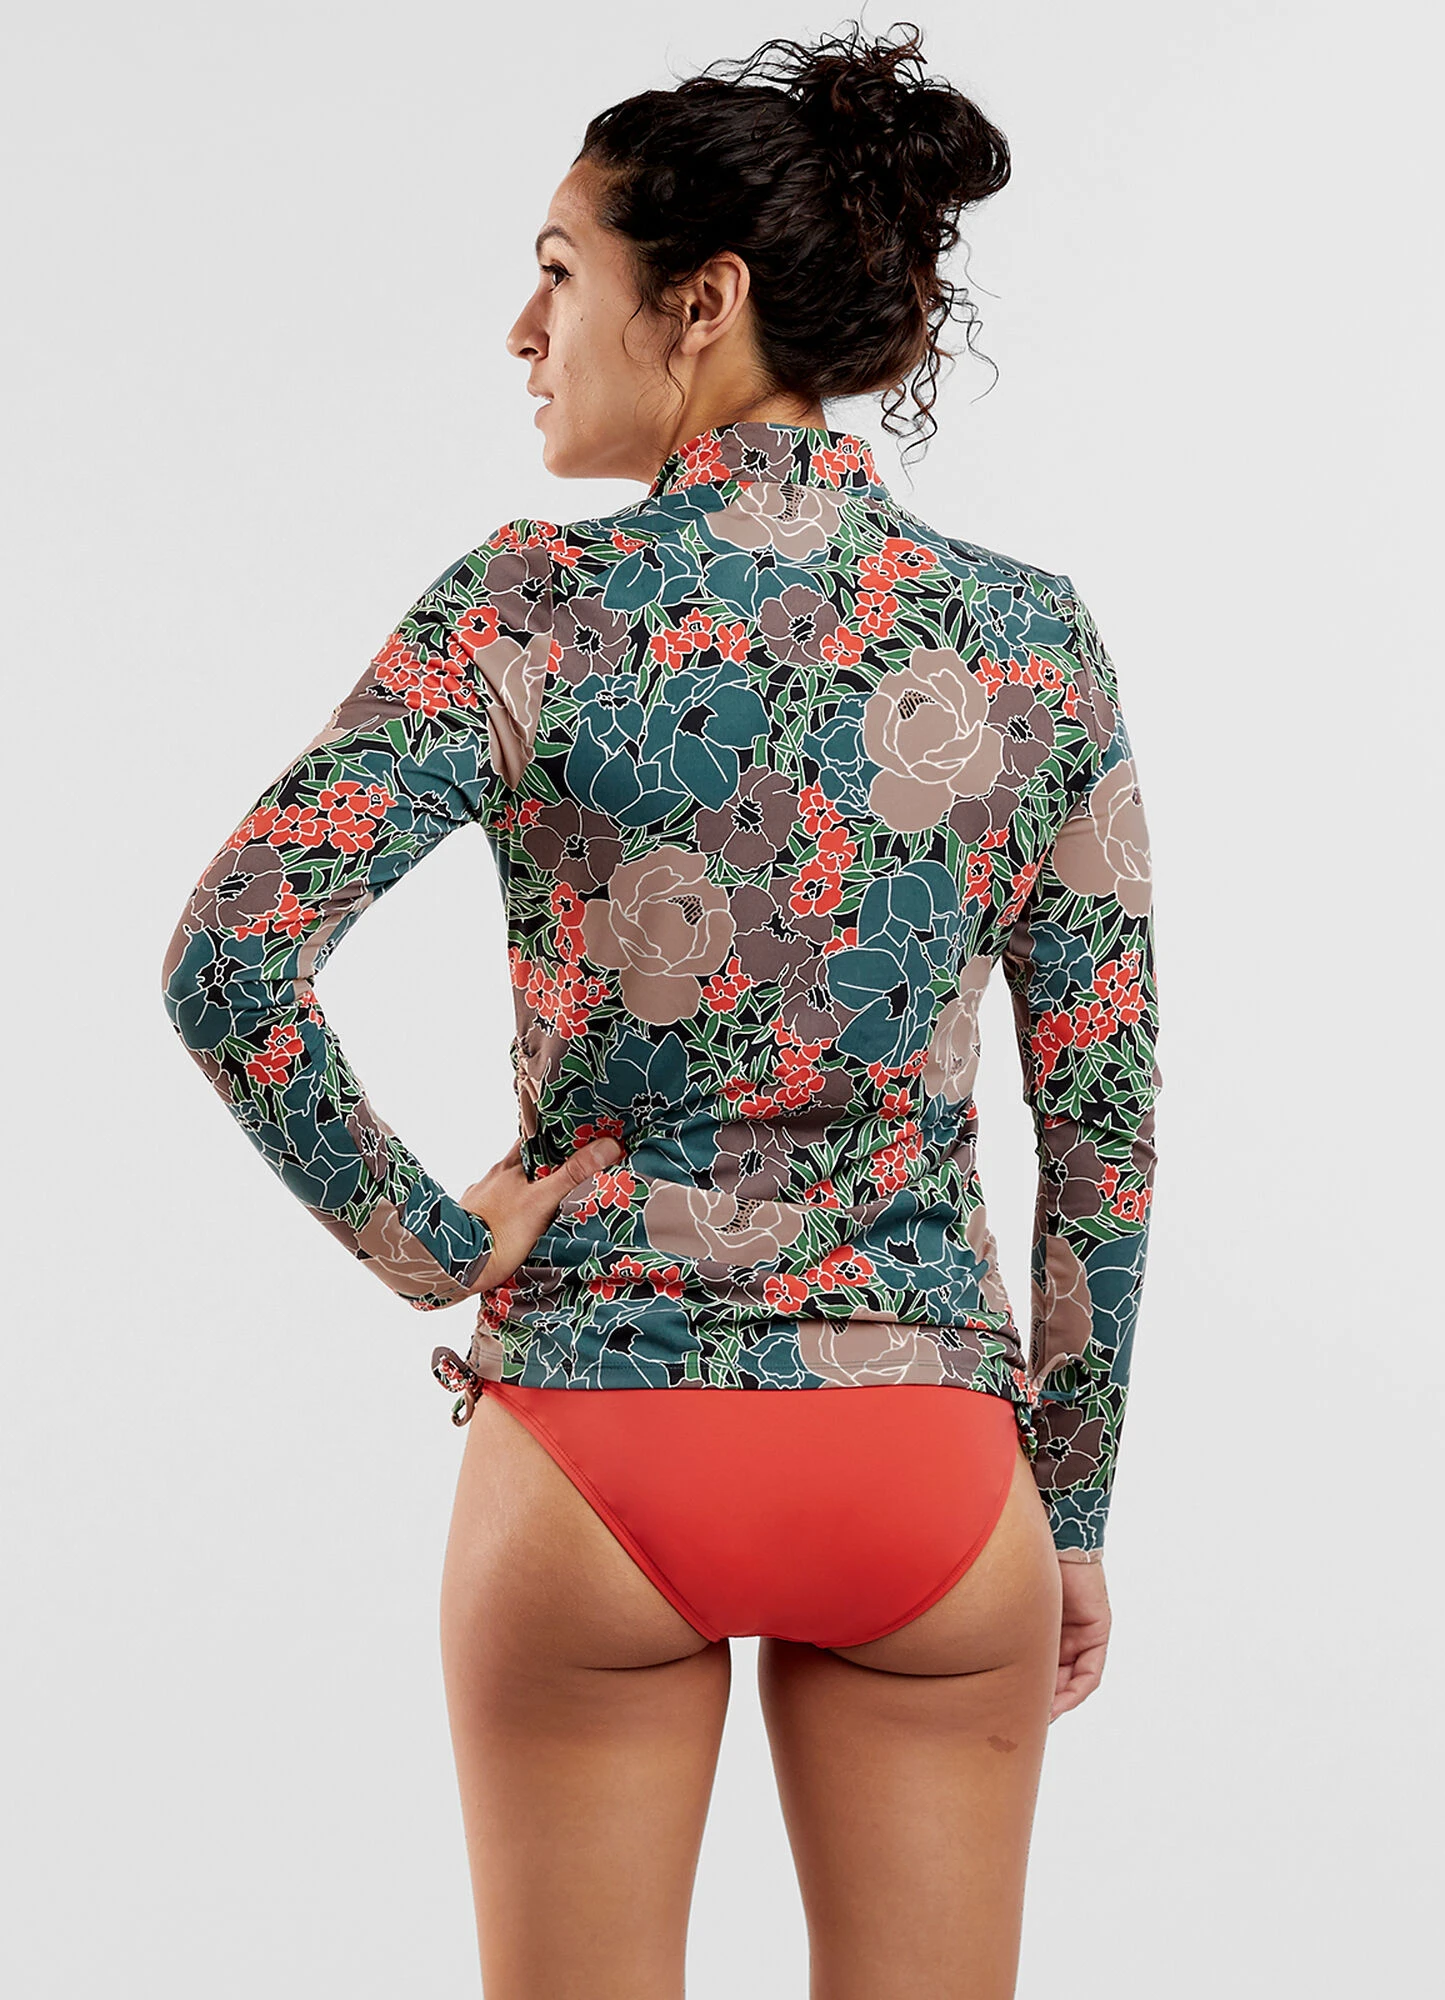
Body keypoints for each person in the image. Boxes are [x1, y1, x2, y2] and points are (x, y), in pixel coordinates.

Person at [161, 22, 1160, 1998]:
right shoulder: (1031, 639)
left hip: (597, 1442)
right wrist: (1072, 1503)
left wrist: (431, 1243)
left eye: (559, 270)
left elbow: (230, 956)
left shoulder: (525, 606)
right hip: (923, 1459)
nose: (522, 329)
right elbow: (1104, 1112)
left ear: (699, 303)